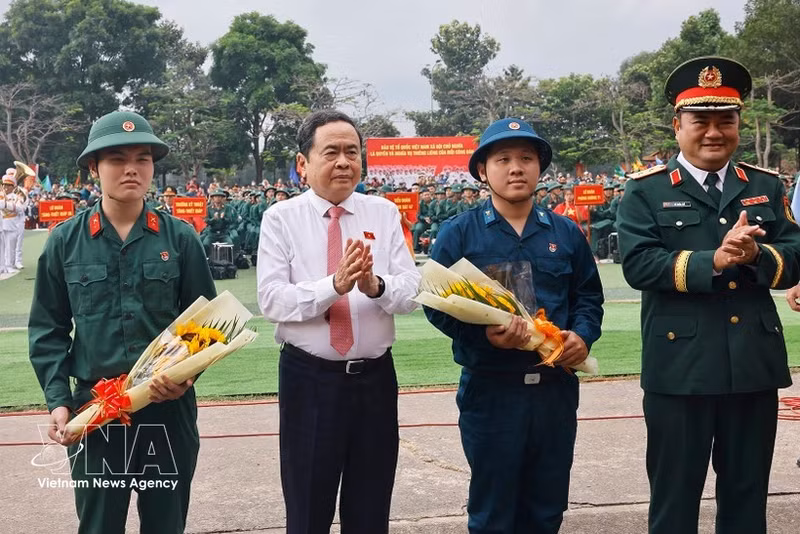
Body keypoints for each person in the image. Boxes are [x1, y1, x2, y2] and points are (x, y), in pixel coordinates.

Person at [616, 57, 800, 534]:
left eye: (726, 120)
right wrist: (713, 261)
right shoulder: (645, 192)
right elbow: (638, 264)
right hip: (681, 370)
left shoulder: (763, 185)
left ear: (739, 124)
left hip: (752, 365)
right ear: (678, 126)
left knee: (746, 499)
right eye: (701, 121)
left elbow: (794, 255)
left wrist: (757, 256)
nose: (714, 132)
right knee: (675, 501)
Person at [28, 110, 216, 534]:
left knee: (166, 525)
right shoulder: (65, 241)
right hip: (96, 412)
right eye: (116, 158)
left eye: (142, 158)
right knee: (99, 526)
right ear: (93, 167)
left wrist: (186, 378)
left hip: (168, 409)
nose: (131, 169)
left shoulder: (180, 239)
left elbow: (208, 325)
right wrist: (59, 400)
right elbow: (48, 329)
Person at [425, 118, 604, 533]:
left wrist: (582, 334)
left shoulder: (566, 233)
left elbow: (588, 298)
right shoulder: (459, 234)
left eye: (527, 158)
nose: (516, 168)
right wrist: (482, 335)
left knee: (546, 508)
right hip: (491, 391)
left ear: (540, 168)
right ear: (482, 171)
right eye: (502, 158)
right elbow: (436, 306)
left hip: (555, 390)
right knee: (493, 511)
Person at [257, 110, 420, 534]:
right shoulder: (281, 219)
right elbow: (272, 301)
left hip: (375, 381)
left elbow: (412, 292)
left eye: (352, 152)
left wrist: (375, 285)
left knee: (370, 508)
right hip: (310, 380)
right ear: (302, 164)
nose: (344, 161)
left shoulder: (383, 213)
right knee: (308, 509)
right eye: (331, 152)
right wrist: (336, 284)